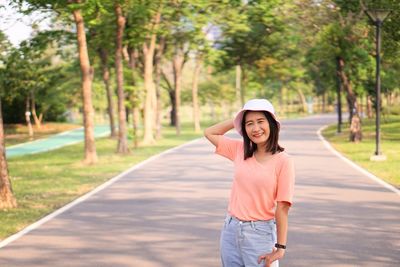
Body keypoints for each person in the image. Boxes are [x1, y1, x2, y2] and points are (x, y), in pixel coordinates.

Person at [204, 99, 295, 267]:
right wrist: (238, 119)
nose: (255, 128)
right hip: (230, 230)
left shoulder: (283, 161)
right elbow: (210, 133)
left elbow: (282, 207)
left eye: (261, 121)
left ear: (272, 124)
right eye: (249, 124)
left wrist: (280, 248)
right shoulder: (240, 150)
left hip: (260, 234)